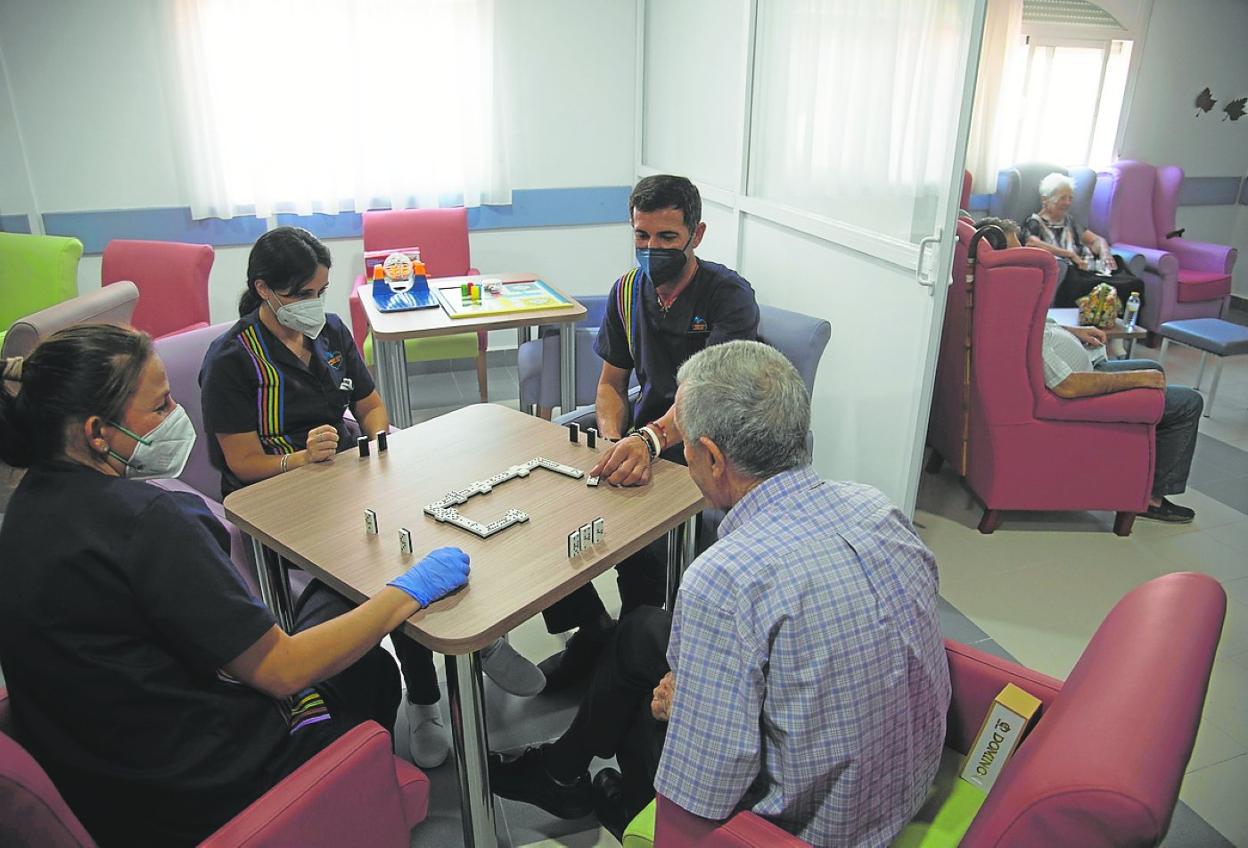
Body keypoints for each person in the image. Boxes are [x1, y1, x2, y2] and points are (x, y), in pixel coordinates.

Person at [0, 324, 470, 846]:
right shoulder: (147, 523)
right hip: (197, 792)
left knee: (346, 646)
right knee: (372, 671)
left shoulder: (25, 510)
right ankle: (353, 796)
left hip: (102, 775)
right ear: (96, 432)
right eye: (159, 409)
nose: (177, 418)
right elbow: (281, 669)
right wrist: (406, 592)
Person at [491, 341, 951, 846]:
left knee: (643, 712)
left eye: (683, 444)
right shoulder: (877, 509)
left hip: (810, 831)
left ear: (711, 457)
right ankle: (561, 771)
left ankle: (615, 803)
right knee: (641, 628)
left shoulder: (725, 578)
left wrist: (686, 709)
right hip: (902, 790)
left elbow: (707, 789)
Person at [198, 227, 542, 768]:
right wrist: (299, 459)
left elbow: (372, 407)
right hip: (278, 500)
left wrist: (384, 443)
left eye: (321, 291)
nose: (315, 305)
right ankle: (428, 701)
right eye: (303, 294)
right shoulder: (232, 362)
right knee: (387, 564)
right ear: (265, 290)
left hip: (348, 481)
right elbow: (241, 464)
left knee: (429, 525)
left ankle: (479, 641)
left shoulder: (330, 334)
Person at [536, 175, 761, 691]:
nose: (651, 250)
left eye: (666, 239)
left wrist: (651, 441)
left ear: (696, 235)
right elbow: (611, 385)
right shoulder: (627, 291)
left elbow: (705, 396)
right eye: (641, 237)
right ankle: (592, 628)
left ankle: (634, 647)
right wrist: (616, 440)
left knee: (640, 540)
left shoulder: (729, 297)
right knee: (551, 502)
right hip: (642, 435)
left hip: (707, 443)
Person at [1040, 316, 1203, 522]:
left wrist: (1071, 330)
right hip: (1081, 391)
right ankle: (1150, 499)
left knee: (1155, 369)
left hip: (1088, 370)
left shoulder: (1013, 308)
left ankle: (1140, 478)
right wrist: (1138, 378)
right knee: (1188, 403)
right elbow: (1068, 385)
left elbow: (1038, 324)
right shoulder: (1018, 322)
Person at [1022, 173, 1143, 312]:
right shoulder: (1035, 222)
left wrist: (1105, 254)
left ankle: (1119, 327)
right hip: (1070, 272)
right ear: (1045, 199)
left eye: (1070, 198)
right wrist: (1069, 254)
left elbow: (1097, 240)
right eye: (1062, 198)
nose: (1068, 202)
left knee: (1133, 283)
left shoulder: (1070, 221)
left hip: (1087, 267)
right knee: (1090, 288)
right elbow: (1033, 243)